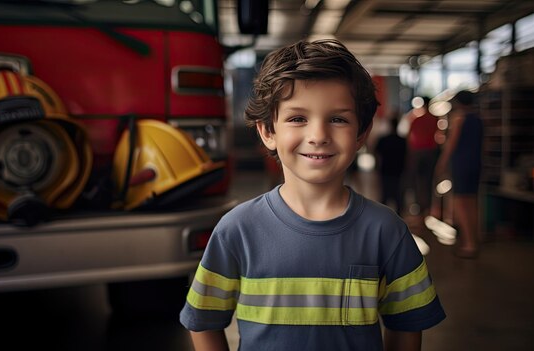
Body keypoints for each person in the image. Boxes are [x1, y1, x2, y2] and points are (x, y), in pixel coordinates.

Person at [179, 39, 445, 351]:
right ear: (268, 131)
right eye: (297, 118)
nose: (318, 136)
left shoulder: (387, 230)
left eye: (337, 119)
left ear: (361, 133)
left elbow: (407, 325)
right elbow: (203, 320)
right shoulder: (236, 229)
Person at [434, 90, 483, 258]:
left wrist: (441, 163)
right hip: (475, 164)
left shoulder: (458, 119)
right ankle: (475, 240)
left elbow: (450, 145)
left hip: (461, 165)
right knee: (472, 202)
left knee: (460, 203)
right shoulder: (478, 119)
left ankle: (468, 244)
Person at [405, 97, 439, 217]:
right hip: (431, 152)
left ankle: (418, 205)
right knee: (428, 180)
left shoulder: (416, 119)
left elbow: (410, 137)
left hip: (418, 152)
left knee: (417, 180)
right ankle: (427, 208)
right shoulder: (434, 119)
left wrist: (410, 153)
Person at [375, 115, 407, 215]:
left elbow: (376, 154)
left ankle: (383, 215)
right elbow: (407, 155)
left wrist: (377, 167)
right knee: (397, 193)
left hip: (385, 169)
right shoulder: (402, 140)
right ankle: (398, 216)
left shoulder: (383, 139)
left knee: (385, 193)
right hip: (398, 170)